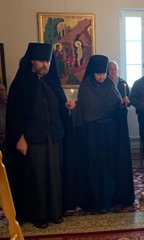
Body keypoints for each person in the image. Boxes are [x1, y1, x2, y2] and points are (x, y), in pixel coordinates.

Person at [5, 42, 76, 228]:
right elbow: (13, 114)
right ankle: (40, 216)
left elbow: (59, 108)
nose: (47, 65)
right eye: (43, 61)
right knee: (38, 179)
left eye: (49, 61)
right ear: (33, 61)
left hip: (54, 138)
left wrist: (66, 107)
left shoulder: (52, 82)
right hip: (33, 140)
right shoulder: (21, 84)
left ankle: (55, 212)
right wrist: (19, 137)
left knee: (55, 177)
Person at [72, 55, 134, 213]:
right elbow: (85, 113)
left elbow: (116, 109)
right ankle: (96, 201)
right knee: (95, 167)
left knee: (110, 167)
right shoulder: (86, 87)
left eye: (103, 74)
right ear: (92, 72)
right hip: (93, 135)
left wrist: (122, 105)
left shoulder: (110, 86)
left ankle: (111, 199)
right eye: (98, 74)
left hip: (110, 135)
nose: (101, 77)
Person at [0, 83, 7, 153]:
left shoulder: (12, 105)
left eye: (2, 90)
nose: (0, 92)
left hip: (10, 138)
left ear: (6, 91)